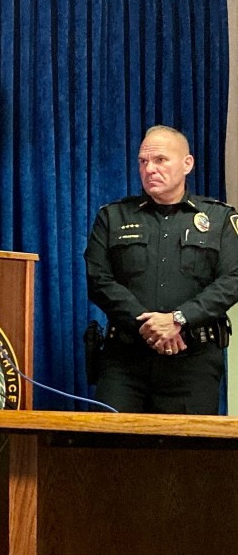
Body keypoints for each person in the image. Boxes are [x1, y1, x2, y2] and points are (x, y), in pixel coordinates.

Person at [84, 125, 238, 414]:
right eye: (143, 161)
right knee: (107, 452)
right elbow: (98, 279)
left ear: (187, 163)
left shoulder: (219, 219)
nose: (149, 169)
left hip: (193, 364)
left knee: (185, 456)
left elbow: (232, 279)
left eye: (160, 160)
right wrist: (150, 327)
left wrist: (179, 319)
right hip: (124, 364)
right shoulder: (113, 216)